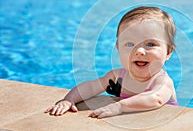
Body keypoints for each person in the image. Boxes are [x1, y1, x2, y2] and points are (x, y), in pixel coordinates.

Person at [45, 6, 178, 119]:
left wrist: (120, 106)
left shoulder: (161, 81)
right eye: (130, 44)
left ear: (168, 52)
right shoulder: (117, 77)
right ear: (118, 47)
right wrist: (69, 99)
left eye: (150, 44)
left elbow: (156, 98)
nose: (139, 51)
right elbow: (91, 87)